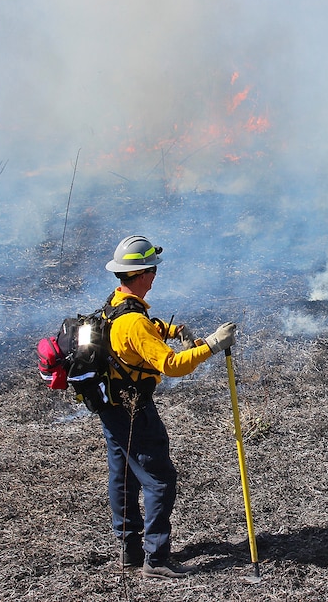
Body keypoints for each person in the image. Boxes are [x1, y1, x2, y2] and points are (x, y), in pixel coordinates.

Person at [99, 234, 237, 579]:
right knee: (160, 479)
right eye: (153, 271)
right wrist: (212, 345)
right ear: (143, 274)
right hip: (134, 410)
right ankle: (156, 559)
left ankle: (129, 550)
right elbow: (172, 366)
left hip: (111, 406)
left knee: (124, 475)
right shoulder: (135, 322)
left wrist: (175, 329)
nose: (156, 276)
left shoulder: (116, 304)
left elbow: (144, 327)